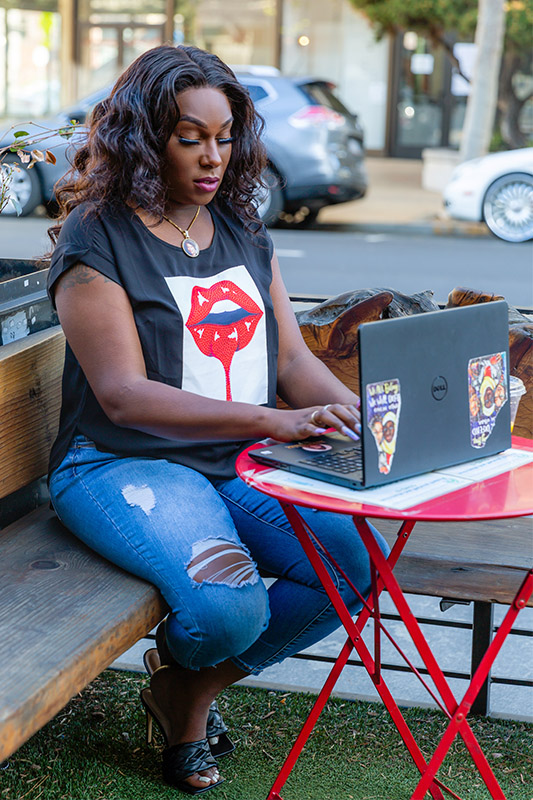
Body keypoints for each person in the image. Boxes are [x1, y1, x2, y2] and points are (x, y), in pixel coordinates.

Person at [46, 44, 389, 796]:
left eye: (224, 135)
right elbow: (124, 396)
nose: (211, 157)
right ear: (143, 137)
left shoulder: (237, 225)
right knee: (228, 609)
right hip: (119, 461)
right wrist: (272, 424)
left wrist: (362, 416)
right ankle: (189, 698)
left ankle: (183, 693)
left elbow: (291, 360)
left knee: (352, 571)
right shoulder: (96, 239)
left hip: (232, 457)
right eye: (188, 137)